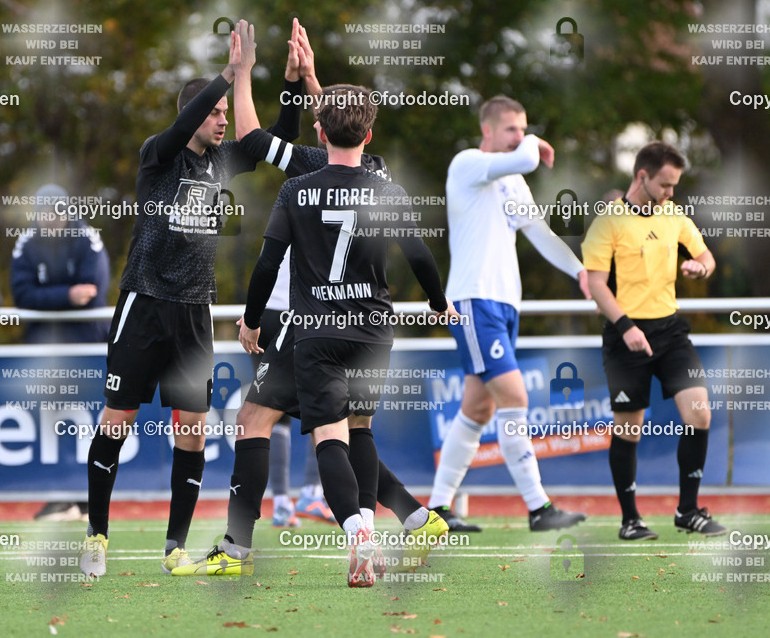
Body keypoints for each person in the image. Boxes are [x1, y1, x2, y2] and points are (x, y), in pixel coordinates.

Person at [175, 36, 449, 581]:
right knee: (353, 428)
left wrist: (247, 72)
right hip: (369, 324)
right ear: (367, 131)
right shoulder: (380, 174)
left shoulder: (304, 177)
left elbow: (253, 138)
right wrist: (311, 79)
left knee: (262, 422)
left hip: (303, 321)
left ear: (320, 130)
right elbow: (341, 127)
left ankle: (238, 547)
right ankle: (415, 518)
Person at [79, 19, 303, 577]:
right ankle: (97, 535)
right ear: (192, 115)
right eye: (216, 113)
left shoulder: (220, 163)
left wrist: (295, 84)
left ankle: (174, 545)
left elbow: (277, 141)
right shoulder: (159, 154)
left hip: (193, 314)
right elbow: (182, 125)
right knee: (117, 419)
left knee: (192, 429)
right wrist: (229, 75)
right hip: (144, 304)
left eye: (226, 114)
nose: (224, 121)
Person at [429, 95, 588, 533]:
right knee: (515, 397)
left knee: (478, 409)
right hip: (474, 302)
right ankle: (539, 508)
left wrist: (580, 272)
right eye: (512, 129)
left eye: (524, 128)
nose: (521, 137)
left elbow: (538, 231)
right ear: (489, 132)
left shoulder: (513, 181)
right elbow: (527, 157)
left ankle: (438, 509)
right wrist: (533, 144)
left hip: (502, 306)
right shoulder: (467, 164)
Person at [581, 141, 726, 540]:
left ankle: (689, 510)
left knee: (700, 412)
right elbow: (596, 284)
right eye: (665, 184)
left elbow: (707, 256)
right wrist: (626, 327)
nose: (671, 193)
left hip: (670, 332)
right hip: (623, 334)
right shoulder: (607, 221)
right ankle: (631, 519)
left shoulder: (674, 215)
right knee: (630, 429)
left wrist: (701, 266)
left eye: (675, 185)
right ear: (642, 177)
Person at [11, 183, 110, 522]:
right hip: (46, 349)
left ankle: (86, 500)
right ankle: (61, 495)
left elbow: (92, 292)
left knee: (86, 423)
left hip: (85, 346)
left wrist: (52, 296)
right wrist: (66, 296)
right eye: (44, 213)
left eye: (57, 211)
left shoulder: (87, 239)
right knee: (52, 424)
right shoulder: (27, 243)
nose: (51, 219)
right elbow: (22, 295)